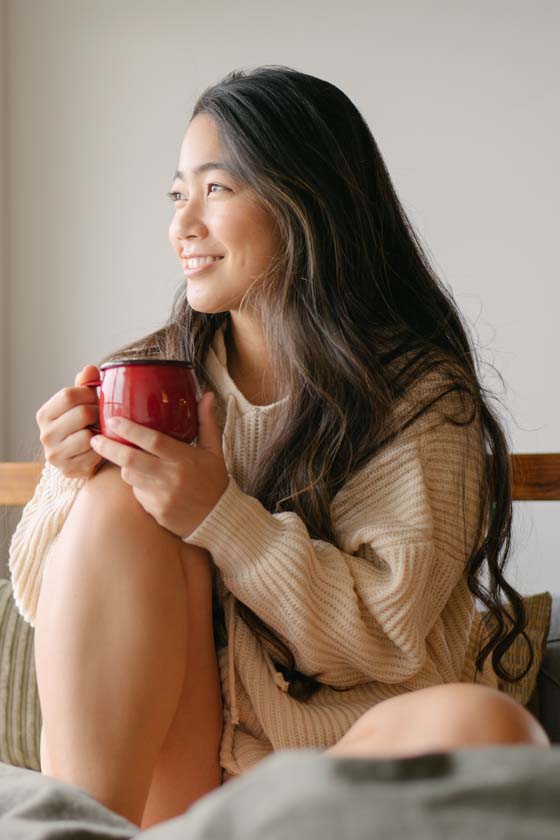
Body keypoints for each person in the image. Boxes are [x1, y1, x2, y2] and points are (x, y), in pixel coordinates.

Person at [7, 65, 549, 830]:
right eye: (177, 195)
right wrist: (70, 477)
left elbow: (387, 638)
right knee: (117, 500)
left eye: (216, 190)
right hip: (183, 781)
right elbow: (45, 600)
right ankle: (84, 826)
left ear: (308, 203)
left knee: (484, 728)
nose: (181, 225)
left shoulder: (420, 397)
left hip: (336, 777)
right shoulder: (159, 376)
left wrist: (220, 515)